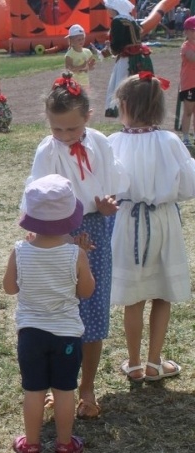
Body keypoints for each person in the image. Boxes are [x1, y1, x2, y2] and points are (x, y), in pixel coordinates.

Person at [27, 74, 127, 420]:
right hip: (56, 232)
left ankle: (87, 386)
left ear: (88, 116)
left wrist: (108, 204)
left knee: (92, 308)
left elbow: (113, 183)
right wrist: (53, 234)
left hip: (95, 228)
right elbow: (37, 193)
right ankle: (60, 385)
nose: (65, 135)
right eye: (57, 129)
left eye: (72, 128)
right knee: (58, 310)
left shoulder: (99, 142)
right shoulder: (48, 149)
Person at [108, 73, 195, 383]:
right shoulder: (169, 141)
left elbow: (106, 185)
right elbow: (188, 185)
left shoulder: (113, 142)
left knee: (134, 297)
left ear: (124, 105)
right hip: (163, 221)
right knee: (161, 293)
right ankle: (154, 362)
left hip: (128, 222)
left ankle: (134, 363)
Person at [5, 174, 95, 453]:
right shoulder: (76, 254)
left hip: (30, 334)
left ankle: (31, 447)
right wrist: (83, 260)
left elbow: (9, 288)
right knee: (65, 390)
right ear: (70, 218)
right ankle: (65, 446)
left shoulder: (20, 251)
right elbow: (86, 291)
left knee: (33, 390)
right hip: (66, 334)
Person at [103, 0, 153, 117]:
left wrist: (109, 48)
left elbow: (117, 46)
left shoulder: (117, 21)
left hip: (126, 59)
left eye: (108, 7)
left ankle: (126, 116)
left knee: (123, 88)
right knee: (135, 87)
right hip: (139, 58)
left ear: (113, 8)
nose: (107, 10)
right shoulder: (131, 20)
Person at [65, 24, 96, 90]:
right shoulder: (69, 55)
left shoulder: (87, 52)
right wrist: (82, 66)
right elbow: (69, 70)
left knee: (86, 96)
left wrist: (90, 66)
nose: (81, 41)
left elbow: (91, 67)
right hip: (73, 84)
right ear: (71, 40)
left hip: (85, 83)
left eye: (82, 39)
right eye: (79, 39)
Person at [180, 16, 195, 146]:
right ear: (187, 31)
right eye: (193, 30)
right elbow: (192, 58)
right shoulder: (186, 46)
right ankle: (185, 137)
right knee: (188, 111)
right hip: (189, 83)